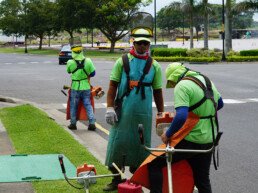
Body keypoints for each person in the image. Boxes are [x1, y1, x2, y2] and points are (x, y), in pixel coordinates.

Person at [148, 62, 224, 193]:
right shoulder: (206, 80)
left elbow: (181, 116)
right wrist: (202, 112)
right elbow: (220, 104)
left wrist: (168, 134)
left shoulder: (182, 86)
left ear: (173, 77)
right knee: (202, 179)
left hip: (191, 139)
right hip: (209, 138)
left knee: (154, 165)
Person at [103, 28, 164, 191]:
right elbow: (112, 86)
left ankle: (136, 179)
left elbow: (158, 91)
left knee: (141, 146)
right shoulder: (122, 61)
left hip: (143, 113)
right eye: (139, 43)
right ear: (133, 43)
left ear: (149, 44)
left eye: (146, 43)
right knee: (117, 144)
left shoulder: (154, 65)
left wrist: (161, 113)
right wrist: (109, 107)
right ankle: (116, 179)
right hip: (122, 111)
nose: (143, 46)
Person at [66, 38, 96, 131]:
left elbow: (68, 71)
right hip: (86, 86)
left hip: (75, 87)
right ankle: (92, 123)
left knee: (73, 106)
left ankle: (73, 124)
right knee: (88, 105)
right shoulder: (88, 61)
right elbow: (93, 73)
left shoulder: (70, 62)